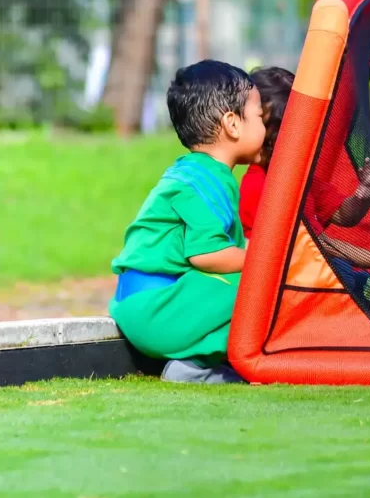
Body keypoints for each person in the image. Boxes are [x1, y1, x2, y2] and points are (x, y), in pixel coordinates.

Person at [110, 60, 266, 384]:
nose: (265, 128)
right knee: (262, 282)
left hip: (145, 305)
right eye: (260, 116)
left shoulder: (197, 172)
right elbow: (208, 256)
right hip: (156, 309)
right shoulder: (204, 183)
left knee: (252, 277)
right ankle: (195, 367)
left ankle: (206, 360)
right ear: (232, 124)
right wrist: (268, 258)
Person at [238, 66, 370, 290]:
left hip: (309, 272)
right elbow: (318, 244)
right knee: (354, 280)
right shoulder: (260, 185)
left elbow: (343, 215)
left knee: (361, 282)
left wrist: (363, 195)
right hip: (284, 285)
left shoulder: (296, 177)